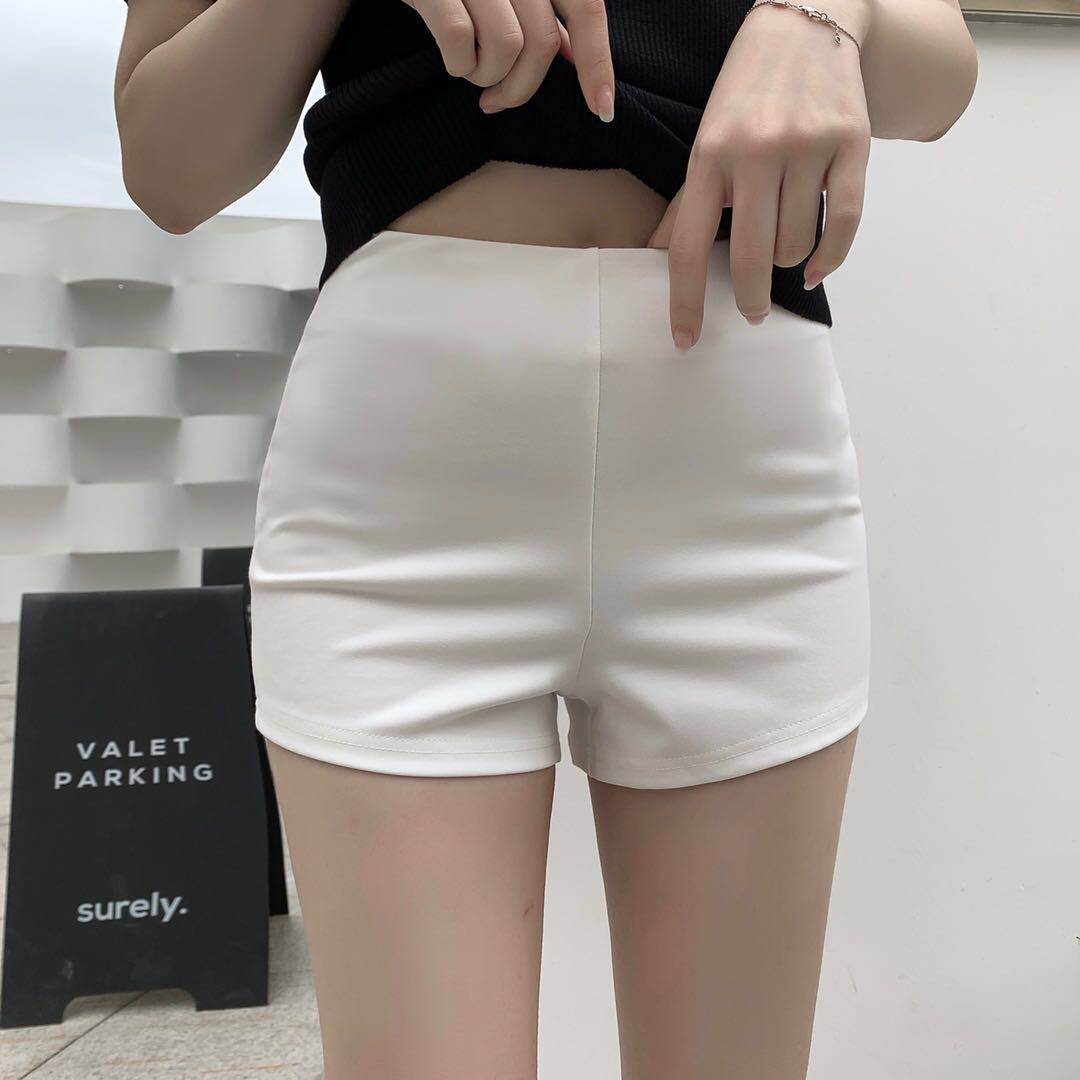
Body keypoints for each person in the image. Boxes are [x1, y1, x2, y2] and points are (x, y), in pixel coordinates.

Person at [114, 3, 977, 1077]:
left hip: (742, 498)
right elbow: (170, 167)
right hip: (406, 508)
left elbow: (942, 83)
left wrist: (823, 20)